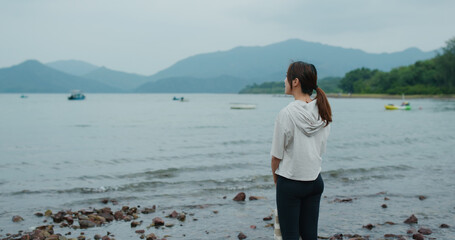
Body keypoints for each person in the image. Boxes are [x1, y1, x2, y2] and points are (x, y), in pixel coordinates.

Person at [271, 61, 332, 240]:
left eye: (287, 77)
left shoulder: (286, 113)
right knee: (310, 236)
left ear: (295, 81)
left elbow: (276, 156)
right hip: (315, 181)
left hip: (290, 182)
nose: (284, 80)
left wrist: (278, 182)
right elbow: (320, 150)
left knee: (289, 237)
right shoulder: (323, 111)